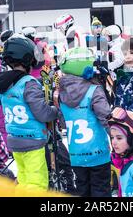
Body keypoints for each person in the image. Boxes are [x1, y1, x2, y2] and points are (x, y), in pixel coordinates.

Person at [0, 35, 58, 190]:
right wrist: (55, 111)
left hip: (15, 139)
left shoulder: (6, 84)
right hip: (33, 140)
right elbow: (42, 113)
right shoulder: (28, 83)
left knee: (23, 179)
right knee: (36, 182)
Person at [57, 47, 112, 197]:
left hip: (76, 155)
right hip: (98, 154)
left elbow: (63, 122)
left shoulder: (61, 94)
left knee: (82, 191)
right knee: (101, 191)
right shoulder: (94, 90)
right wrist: (117, 137)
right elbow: (105, 117)